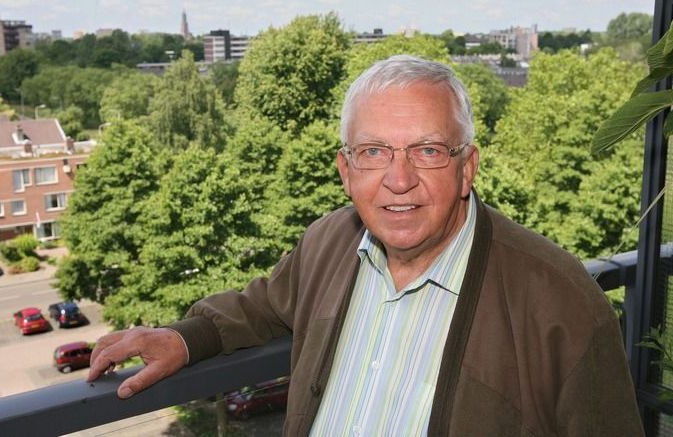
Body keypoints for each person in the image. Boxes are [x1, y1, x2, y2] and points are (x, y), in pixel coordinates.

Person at [88, 55, 644, 436]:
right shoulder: (330, 241)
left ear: (467, 167)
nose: (398, 180)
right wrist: (185, 340)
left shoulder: (559, 300)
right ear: (345, 170)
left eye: (427, 151)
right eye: (374, 152)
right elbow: (261, 305)